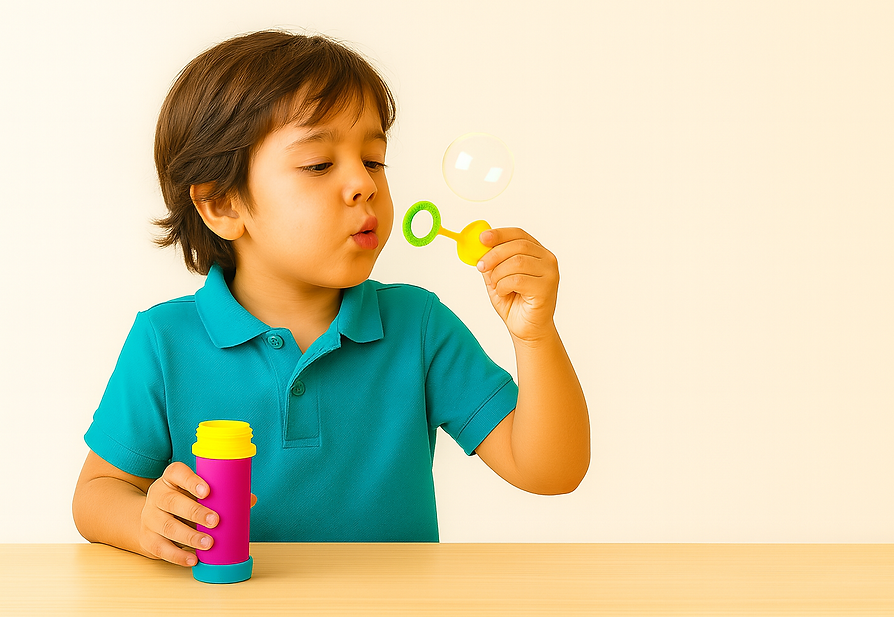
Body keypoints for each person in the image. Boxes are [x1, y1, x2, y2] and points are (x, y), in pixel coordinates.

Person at [72, 29, 589, 567]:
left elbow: (551, 470)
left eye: (374, 160)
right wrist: (146, 521)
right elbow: (95, 495)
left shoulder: (418, 327)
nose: (364, 184)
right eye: (319, 164)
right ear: (222, 204)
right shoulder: (165, 341)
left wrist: (535, 335)